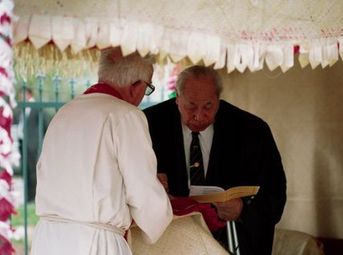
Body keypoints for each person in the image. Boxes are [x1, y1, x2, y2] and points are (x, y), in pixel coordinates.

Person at [31, 47, 173, 255]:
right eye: (148, 87)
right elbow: (143, 191)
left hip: (48, 240)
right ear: (135, 86)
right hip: (94, 243)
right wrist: (163, 214)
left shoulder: (64, 112)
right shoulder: (126, 115)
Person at [144, 65, 287, 255]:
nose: (199, 115)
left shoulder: (252, 130)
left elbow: (275, 195)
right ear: (177, 99)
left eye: (208, 106)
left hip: (233, 243)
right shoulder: (149, 124)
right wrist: (150, 183)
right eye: (191, 106)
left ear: (218, 100)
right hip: (170, 243)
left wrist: (242, 210)